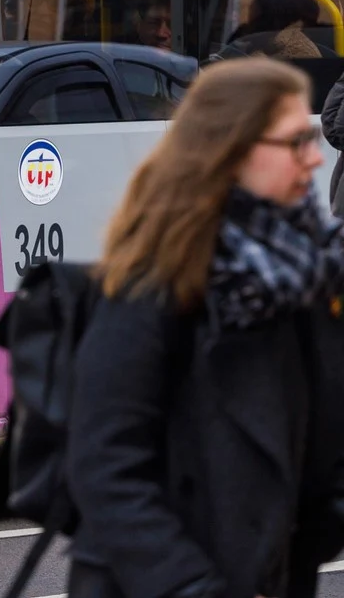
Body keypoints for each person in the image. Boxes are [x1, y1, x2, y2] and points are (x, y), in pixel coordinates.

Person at [68, 57, 344, 598]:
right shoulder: (151, 284)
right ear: (233, 152)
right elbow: (106, 471)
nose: (315, 159)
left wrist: (297, 548)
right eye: (294, 143)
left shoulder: (308, 275)